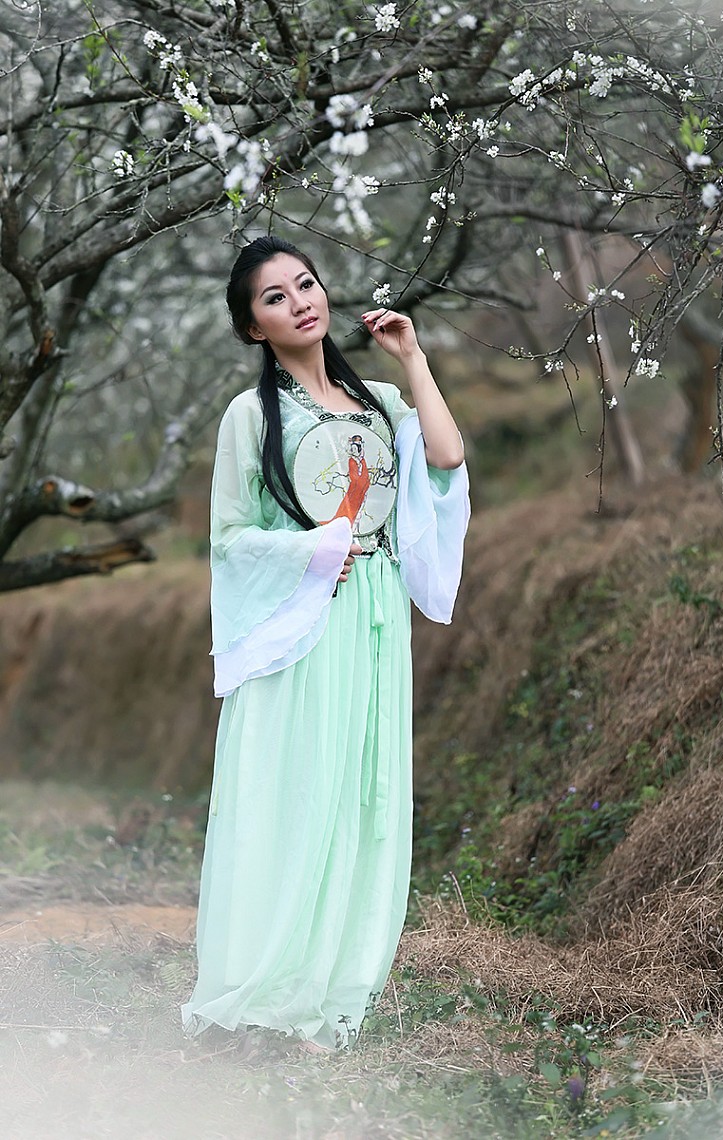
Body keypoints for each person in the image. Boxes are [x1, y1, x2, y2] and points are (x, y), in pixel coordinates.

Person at [182, 234, 469, 1052]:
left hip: (373, 614)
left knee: (359, 795)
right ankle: (262, 982)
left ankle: (330, 987)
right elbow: (229, 537)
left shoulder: (380, 401)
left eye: (305, 284)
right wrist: (309, 553)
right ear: (253, 327)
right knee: (292, 790)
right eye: (274, 297)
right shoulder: (251, 417)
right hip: (300, 620)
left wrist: (412, 357)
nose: (299, 301)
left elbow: (446, 457)